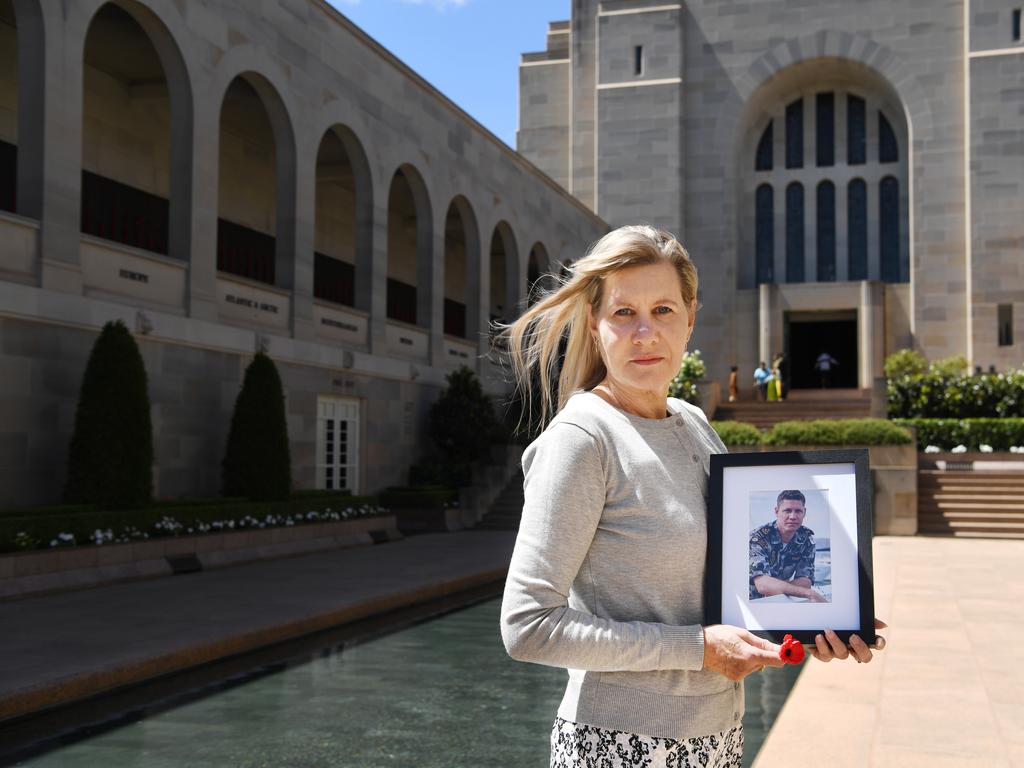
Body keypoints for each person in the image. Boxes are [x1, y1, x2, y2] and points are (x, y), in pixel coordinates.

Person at [498, 225, 885, 768]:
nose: (644, 333)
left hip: (714, 738)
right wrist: (699, 649)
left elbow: (730, 584)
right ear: (594, 323)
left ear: (690, 318)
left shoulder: (694, 423)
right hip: (618, 746)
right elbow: (527, 626)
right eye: (623, 313)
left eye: (662, 310)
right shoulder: (583, 440)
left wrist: (823, 622)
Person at [749, 490, 827, 602]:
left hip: (781, 598)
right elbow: (762, 585)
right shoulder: (758, 538)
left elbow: (805, 581)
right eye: (787, 510)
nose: (793, 516)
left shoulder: (806, 539)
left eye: (798, 511)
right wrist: (808, 593)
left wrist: (775, 589)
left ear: (804, 512)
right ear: (776, 511)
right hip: (752, 601)